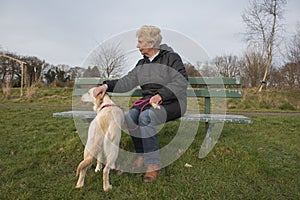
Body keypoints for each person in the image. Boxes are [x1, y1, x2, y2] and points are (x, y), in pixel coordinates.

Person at [93, 25, 188, 182]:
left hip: (173, 102)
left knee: (146, 117)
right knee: (130, 117)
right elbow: (126, 82)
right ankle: (142, 155)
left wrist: (161, 95)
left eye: (140, 42)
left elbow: (181, 81)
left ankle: (153, 164)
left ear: (151, 43)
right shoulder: (141, 64)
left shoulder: (172, 58)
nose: (137, 46)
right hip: (149, 102)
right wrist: (106, 86)